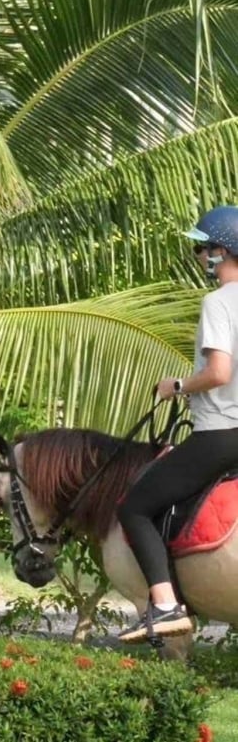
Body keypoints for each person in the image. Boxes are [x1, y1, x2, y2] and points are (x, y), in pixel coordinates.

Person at [115, 205, 238, 643]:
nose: (198, 255)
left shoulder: (220, 302)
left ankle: (165, 605)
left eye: (203, 248)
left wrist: (178, 385)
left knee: (134, 507)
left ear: (221, 251)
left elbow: (219, 372)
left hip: (222, 434)